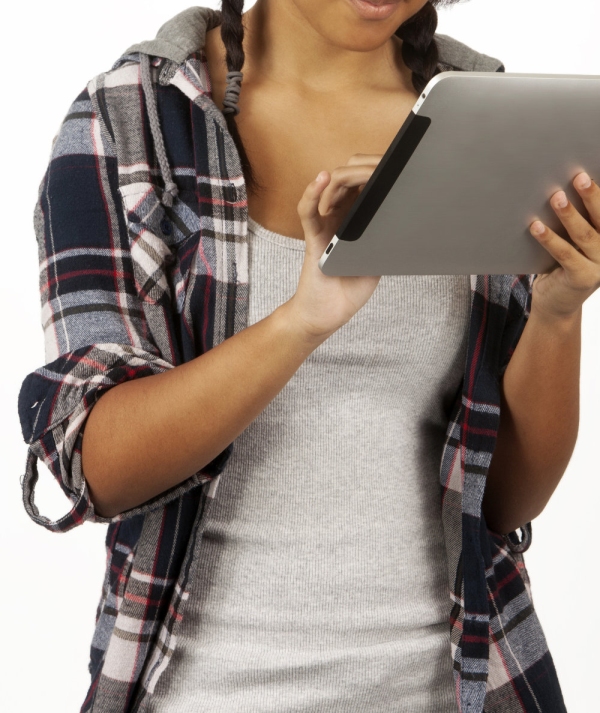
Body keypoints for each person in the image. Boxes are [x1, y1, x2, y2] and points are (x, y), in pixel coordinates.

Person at [17, 1, 599, 711]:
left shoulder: (488, 124)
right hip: (207, 692)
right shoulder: (131, 123)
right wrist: (299, 323)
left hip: (465, 690)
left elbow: (503, 500)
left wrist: (559, 312)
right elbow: (98, 462)